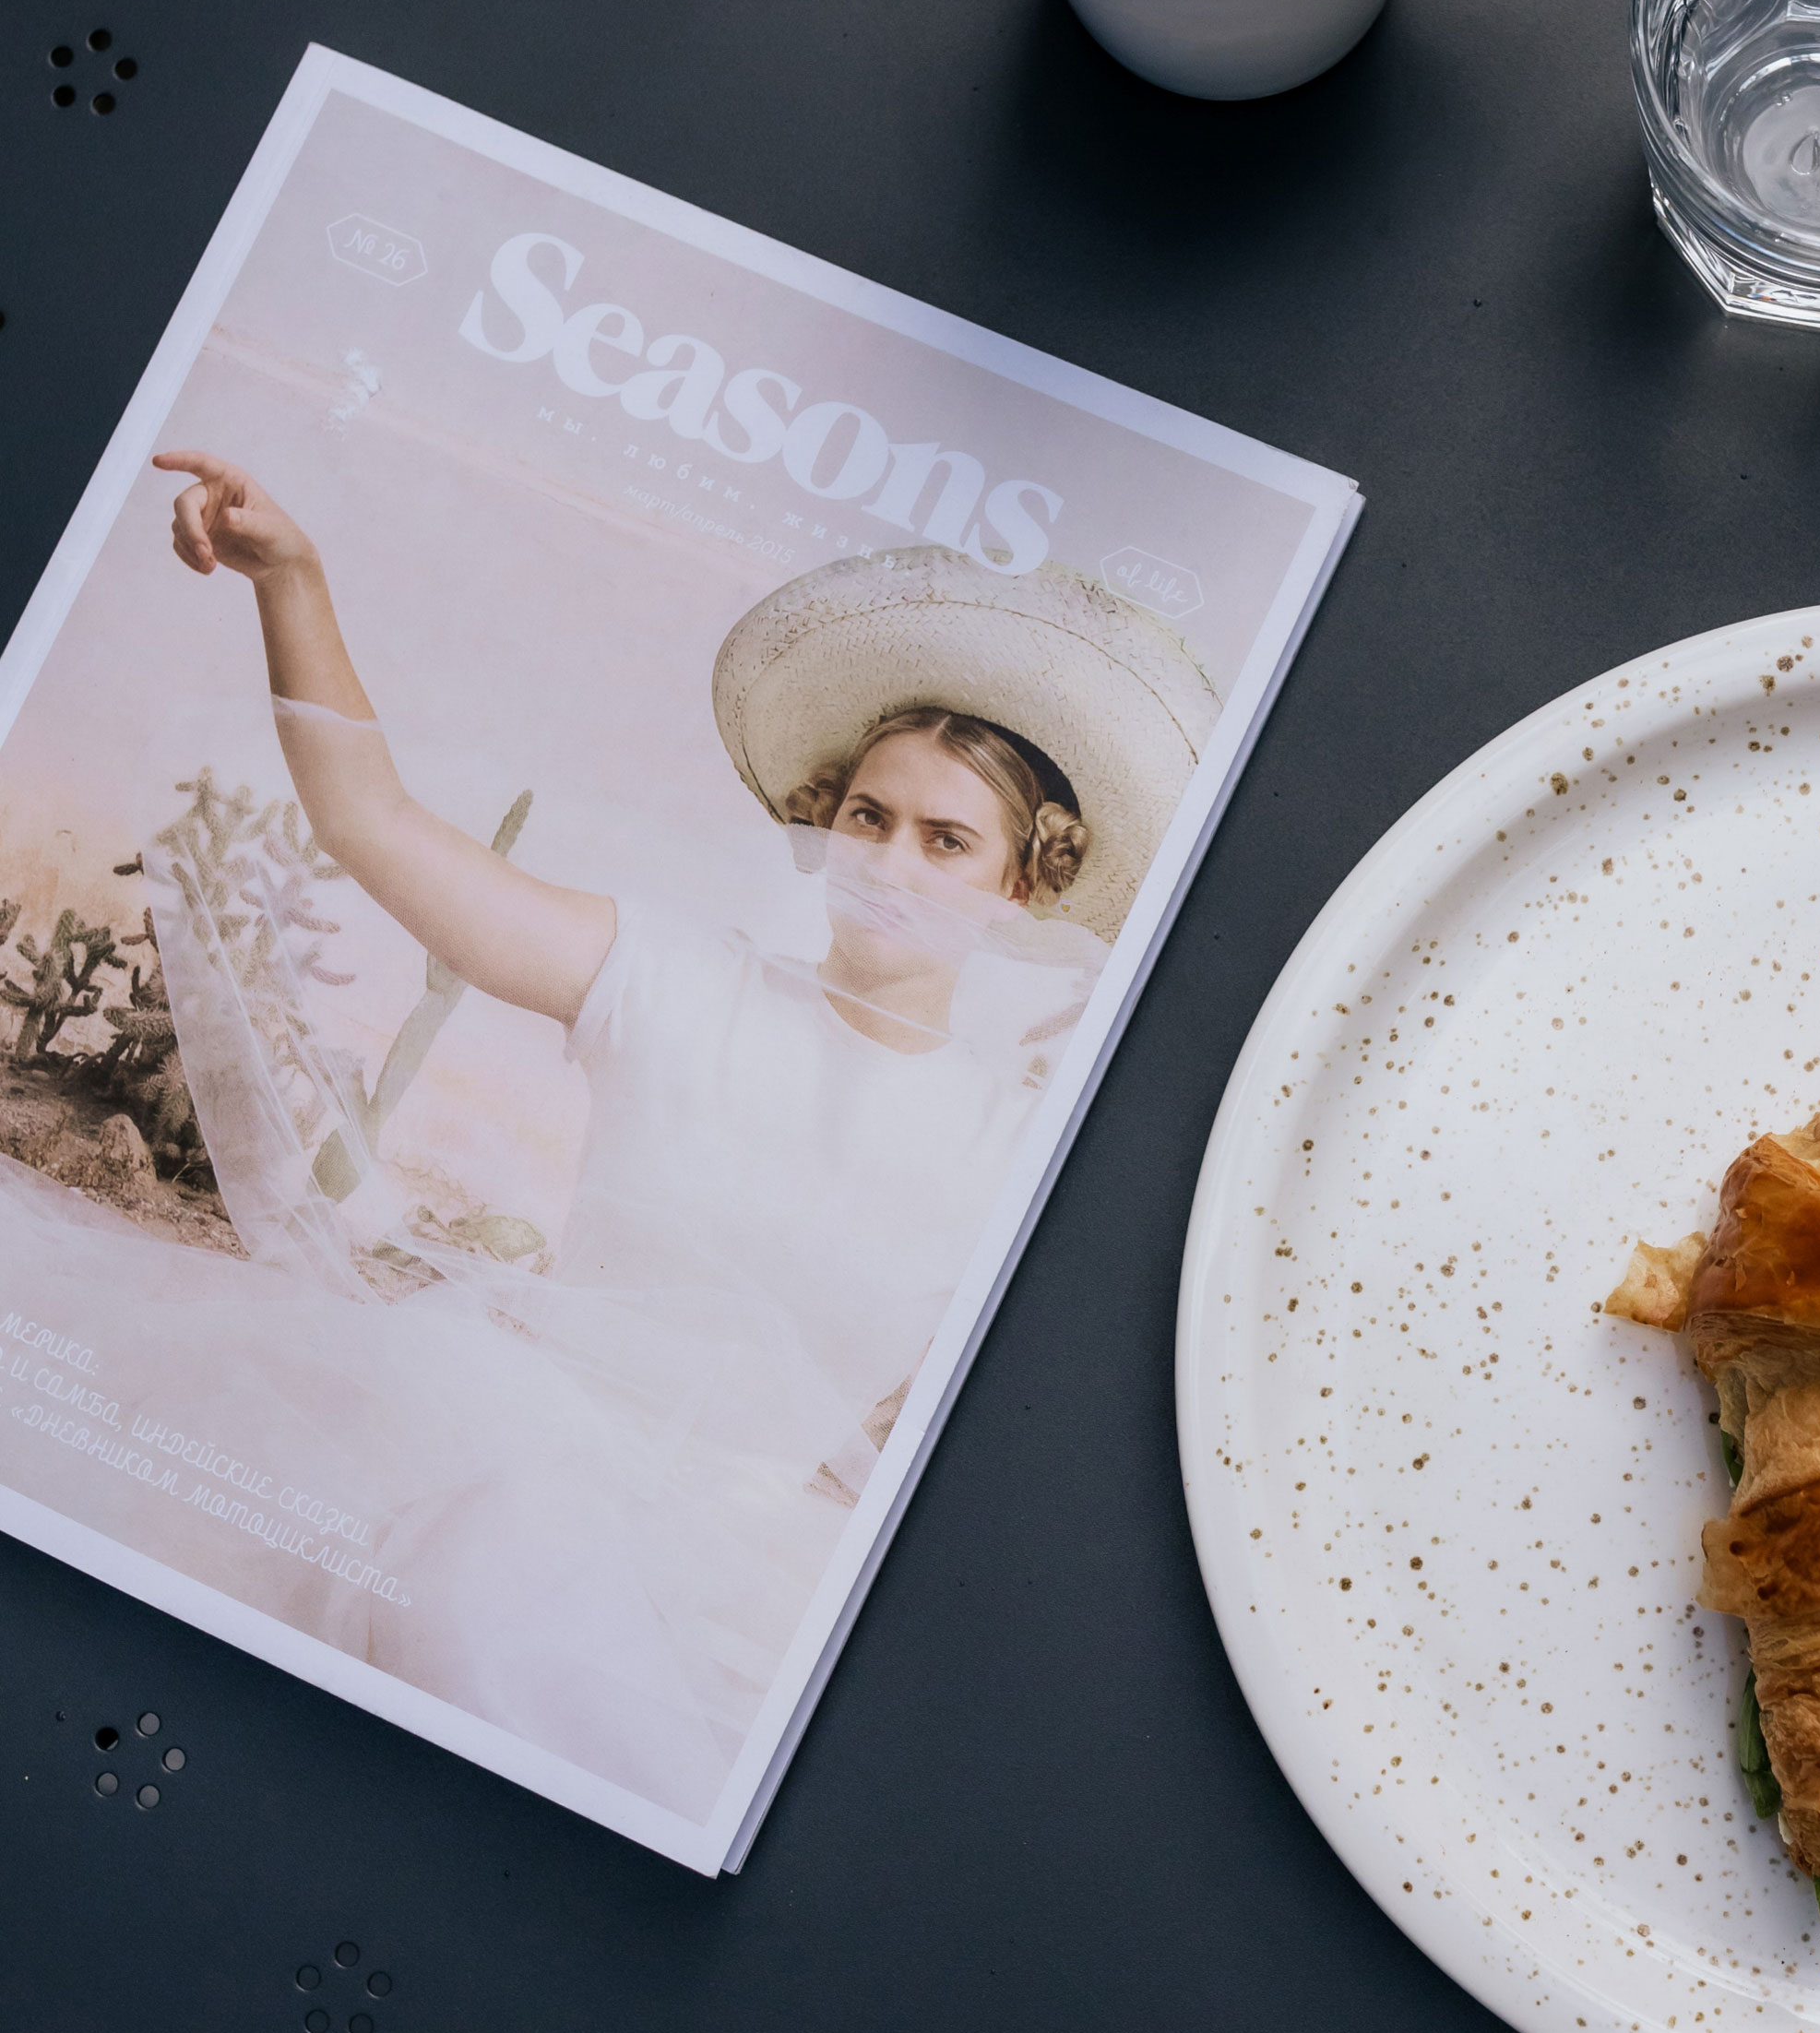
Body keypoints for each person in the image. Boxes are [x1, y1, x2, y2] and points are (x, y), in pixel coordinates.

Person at [74, 449, 1222, 1810]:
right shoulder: (671, 984)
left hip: (762, 1594)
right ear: (822, 825)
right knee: (477, 1598)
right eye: (868, 817)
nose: (890, 864)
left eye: (947, 840)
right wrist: (293, 580)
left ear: (1023, 883)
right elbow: (370, 822)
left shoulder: (1018, 1144)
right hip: (509, 1466)